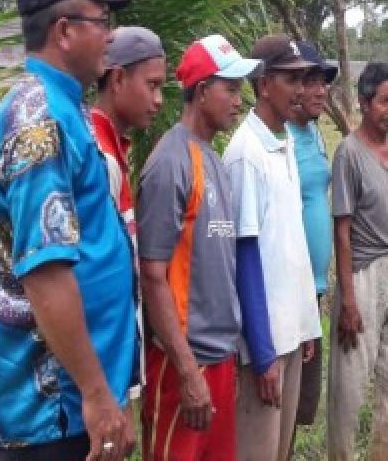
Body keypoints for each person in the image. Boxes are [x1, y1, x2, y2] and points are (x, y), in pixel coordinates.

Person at [0, 0, 137, 460]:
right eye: (101, 20)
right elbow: (45, 274)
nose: (110, 36)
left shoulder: (67, 108)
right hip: (52, 415)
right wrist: (94, 394)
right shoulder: (38, 120)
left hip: (78, 404)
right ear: (65, 31)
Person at [136, 35, 261, 461]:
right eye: (230, 88)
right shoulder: (171, 162)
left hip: (218, 358)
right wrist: (188, 372)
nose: (238, 101)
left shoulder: (212, 159)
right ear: (202, 90)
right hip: (183, 363)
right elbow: (152, 275)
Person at [224, 35, 321, 461]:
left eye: (303, 78)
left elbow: (288, 246)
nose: (301, 89)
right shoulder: (246, 153)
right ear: (264, 84)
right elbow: (245, 256)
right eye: (291, 79)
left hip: (291, 332)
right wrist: (262, 354)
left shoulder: (284, 143)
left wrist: (306, 324)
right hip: (264, 345)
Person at [326, 62, 388, 460]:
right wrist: (347, 299)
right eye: (384, 101)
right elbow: (342, 231)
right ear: (364, 102)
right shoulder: (348, 153)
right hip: (361, 275)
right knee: (349, 388)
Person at [92, 26, 167, 404]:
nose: (158, 100)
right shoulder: (96, 153)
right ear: (118, 79)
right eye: (151, 86)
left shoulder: (116, 147)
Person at [287, 40, 338, 448]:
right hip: (287, 290)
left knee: (301, 402)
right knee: (279, 402)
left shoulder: (314, 133)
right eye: (312, 82)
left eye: (324, 83)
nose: (321, 91)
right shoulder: (279, 138)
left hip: (314, 288)